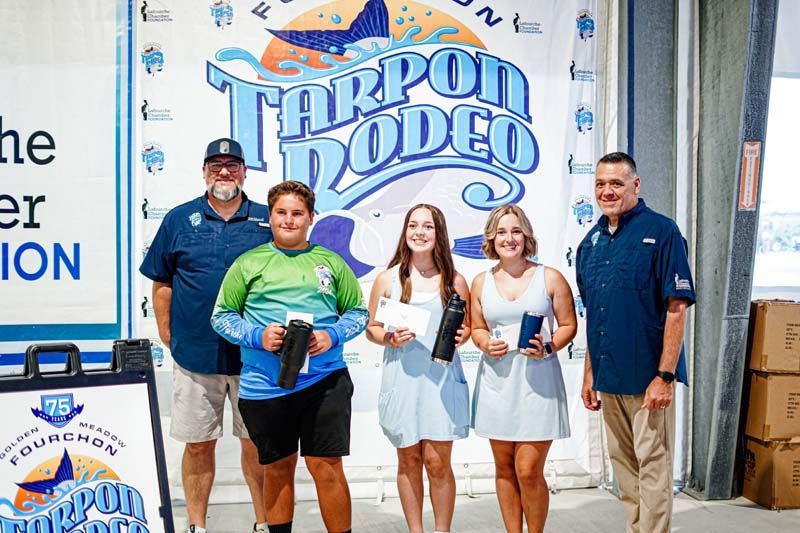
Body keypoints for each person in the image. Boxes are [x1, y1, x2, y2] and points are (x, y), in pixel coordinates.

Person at [211, 180, 368, 533]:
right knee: (278, 468)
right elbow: (221, 317)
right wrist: (258, 336)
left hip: (324, 382)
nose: (289, 220)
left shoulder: (331, 262)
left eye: (297, 213)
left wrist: (332, 335)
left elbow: (358, 313)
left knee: (326, 466)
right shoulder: (249, 263)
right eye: (281, 212)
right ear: (270, 217)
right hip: (265, 386)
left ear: (311, 217)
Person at [140, 138, 271, 533]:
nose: (224, 172)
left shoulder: (267, 220)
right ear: (204, 172)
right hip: (195, 357)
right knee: (197, 445)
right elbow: (162, 283)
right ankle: (196, 525)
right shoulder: (179, 220)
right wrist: (167, 333)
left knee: (257, 446)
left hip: (255, 358)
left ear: (245, 172)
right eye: (216, 165)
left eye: (233, 165)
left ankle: (265, 523)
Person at [576, 152, 695, 533]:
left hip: (648, 378)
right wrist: (589, 375)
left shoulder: (662, 233)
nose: (606, 191)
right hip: (609, 378)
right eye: (600, 183)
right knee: (624, 468)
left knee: (653, 465)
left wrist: (665, 375)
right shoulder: (590, 244)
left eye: (616, 183)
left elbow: (677, 308)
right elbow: (595, 315)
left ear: (635, 185)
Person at [470, 204, 577, 533]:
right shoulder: (480, 282)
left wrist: (548, 346)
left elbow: (568, 325)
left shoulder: (550, 277)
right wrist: (485, 343)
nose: (509, 238)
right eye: (501, 232)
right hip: (496, 384)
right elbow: (476, 329)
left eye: (516, 230)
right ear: (491, 237)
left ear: (526, 235)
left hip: (538, 385)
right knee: (503, 469)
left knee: (528, 470)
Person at [366, 204, 471, 533]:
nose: (420, 232)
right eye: (413, 225)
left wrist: (461, 334)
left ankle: (442, 530)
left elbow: (467, 329)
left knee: (437, 463)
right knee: (408, 460)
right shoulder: (388, 279)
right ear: (405, 231)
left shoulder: (455, 280)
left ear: (439, 233)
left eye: (428, 226)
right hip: (403, 381)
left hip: (440, 382)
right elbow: (372, 328)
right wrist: (391, 338)